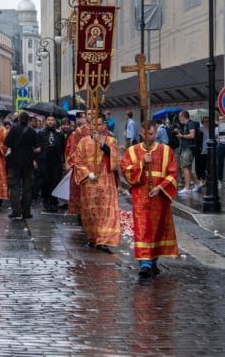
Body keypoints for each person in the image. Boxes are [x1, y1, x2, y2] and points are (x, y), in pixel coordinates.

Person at [120, 121, 178, 278]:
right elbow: (125, 169)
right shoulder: (132, 151)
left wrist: (160, 187)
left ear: (156, 132)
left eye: (151, 134)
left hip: (159, 197)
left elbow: (173, 173)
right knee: (142, 228)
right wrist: (141, 163)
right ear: (140, 133)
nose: (148, 137)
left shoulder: (166, 151)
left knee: (157, 229)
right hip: (141, 197)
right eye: (145, 134)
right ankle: (144, 263)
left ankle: (153, 261)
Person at [74, 114, 120, 252]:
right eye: (93, 124)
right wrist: (87, 173)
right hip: (90, 182)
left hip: (106, 180)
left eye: (99, 124)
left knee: (106, 211)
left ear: (104, 125)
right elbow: (78, 161)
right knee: (91, 211)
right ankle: (93, 237)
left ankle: (104, 240)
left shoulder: (110, 140)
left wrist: (101, 143)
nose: (96, 127)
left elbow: (115, 160)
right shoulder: (83, 142)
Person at [4, 111, 39, 220]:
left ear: (19, 119)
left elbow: (7, 143)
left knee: (14, 187)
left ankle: (16, 212)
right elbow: (37, 148)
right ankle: (26, 212)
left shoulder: (13, 129)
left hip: (14, 163)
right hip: (28, 163)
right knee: (27, 187)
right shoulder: (32, 131)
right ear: (28, 120)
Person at [36, 114, 65, 213]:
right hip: (44, 161)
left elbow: (63, 148)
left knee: (55, 181)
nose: (50, 122)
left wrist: (64, 161)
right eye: (48, 120)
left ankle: (53, 202)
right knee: (45, 182)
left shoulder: (59, 134)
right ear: (45, 121)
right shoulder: (41, 134)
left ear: (55, 122)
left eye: (52, 120)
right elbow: (36, 147)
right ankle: (46, 201)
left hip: (56, 162)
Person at [65, 111, 90, 219]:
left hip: (98, 168)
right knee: (81, 193)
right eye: (88, 114)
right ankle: (81, 216)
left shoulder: (103, 130)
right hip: (82, 166)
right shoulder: (78, 132)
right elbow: (72, 150)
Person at [176, 110, 199, 193]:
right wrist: (180, 136)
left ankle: (187, 188)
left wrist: (182, 136)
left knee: (185, 167)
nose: (179, 118)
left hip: (188, 148)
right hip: (185, 148)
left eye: (179, 116)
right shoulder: (185, 125)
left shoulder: (190, 123)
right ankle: (198, 183)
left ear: (183, 116)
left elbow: (192, 135)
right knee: (187, 168)